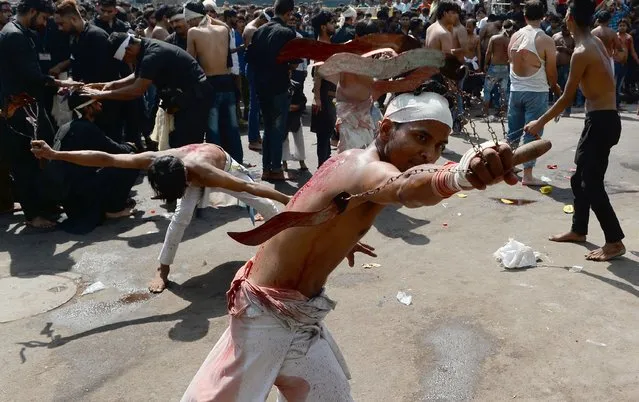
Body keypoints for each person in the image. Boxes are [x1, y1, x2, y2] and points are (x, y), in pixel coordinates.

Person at [179, 80, 523, 401]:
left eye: (439, 147)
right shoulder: (367, 169)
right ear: (386, 129)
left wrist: (339, 236)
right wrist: (458, 176)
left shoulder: (348, 158)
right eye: (420, 138)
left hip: (296, 315)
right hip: (266, 317)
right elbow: (405, 187)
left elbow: (308, 204)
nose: (429, 154)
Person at [31, 139, 291, 292]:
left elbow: (249, 186)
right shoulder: (156, 159)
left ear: (186, 178)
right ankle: (162, 270)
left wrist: (289, 199)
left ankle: (290, 245)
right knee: (179, 219)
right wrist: (55, 154)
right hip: (189, 170)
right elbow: (107, 158)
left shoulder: (204, 171)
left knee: (265, 205)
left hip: (222, 164)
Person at [524, 0, 625, 261]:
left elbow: (567, 98)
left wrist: (539, 122)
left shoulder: (582, 50)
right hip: (602, 119)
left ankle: (614, 241)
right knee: (578, 178)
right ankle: (578, 229)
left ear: (569, 17)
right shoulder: (595, 42)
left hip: (601, 122)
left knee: (590, 183)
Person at [0, 0, 79, 229]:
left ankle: (46, 205)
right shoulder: (14, 36)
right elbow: (31, 76)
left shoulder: (18, 32)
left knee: (39, 158)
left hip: (26, 107)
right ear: (32, 12)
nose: (45, 23)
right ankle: (34, 215)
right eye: (44, 18)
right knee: (25, 162)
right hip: (19, 111)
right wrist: (61, 84)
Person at [79, 32, 213, 148]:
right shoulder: (145, 47)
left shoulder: (152, 54)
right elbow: (139, 75)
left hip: (195, 99)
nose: (127, 62)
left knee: (187, 143)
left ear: (128, 50)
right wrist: (110, 85)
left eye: (126, 59)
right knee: (177, 140)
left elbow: (137, 90)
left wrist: (103, 94)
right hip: (183, 98)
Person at [42, 92, 138, 233]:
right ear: (88, 109)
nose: (100, 105)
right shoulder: (86, 129)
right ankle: (114, 209)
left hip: (69, 197)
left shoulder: (66, 127)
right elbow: (117, 151)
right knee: (130, 161)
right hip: (80, 195)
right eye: (96, 103)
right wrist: (131, 146)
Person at [507, 0, 560, 186]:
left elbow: (510, 62)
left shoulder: (514, 37)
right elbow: (552, 72)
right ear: (543, 16)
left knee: (512, 131)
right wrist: (556, 88)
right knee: (533, 132)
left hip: (515, 90)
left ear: (524, 15)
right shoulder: (545, 39)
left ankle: (509, 167)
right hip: (536, 91)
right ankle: (527, 175)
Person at [185, 1, 243, 165]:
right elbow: (223, 23)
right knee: (232, 127)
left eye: (188, 20)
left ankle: (217, 163)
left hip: (210, 82)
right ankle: (237, 161)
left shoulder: (194, 32)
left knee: (213, 129)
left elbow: (190, 61)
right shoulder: (223, 29)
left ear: (192, 18)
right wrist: (207, 16)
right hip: (227, 81)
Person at [247, 0, 299, 181]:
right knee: (277, 129)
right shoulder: (287, 33)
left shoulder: (259, 31)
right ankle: (275, 168)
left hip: (261, 86)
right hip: (278, 86)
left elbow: (250, 58)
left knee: (268, 128)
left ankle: (266, 168)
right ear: (289, 12)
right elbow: (294, 61)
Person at [243, 8, 273, 151]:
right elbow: (254, 54)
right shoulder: (252, 30)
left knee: (256, 104)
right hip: (255, 69)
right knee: (254, 105)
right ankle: (253, 138)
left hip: (255, 68)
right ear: (263, 20)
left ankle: (255, 136)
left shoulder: (253, 28)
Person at [310, 11, 337, 167]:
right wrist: (318, 97)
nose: (333, 25)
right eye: (331, 23)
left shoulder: (327, 43)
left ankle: (325, 167)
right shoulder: (321, 45)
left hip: (329, 93)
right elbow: (318, 73)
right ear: (323, 26)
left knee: (326, 136)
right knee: (324, 136)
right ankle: (322, 169)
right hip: (325, 93)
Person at [483, 19, 514, 117]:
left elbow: (488, 53)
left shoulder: (494, 38)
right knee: (503, 91)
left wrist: (485, 64)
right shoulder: (509, 40)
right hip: (504, 68)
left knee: (487, 90)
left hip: (494, 67)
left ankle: (486, 112)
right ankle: (502, 111)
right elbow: (511, 56)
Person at [613, 18, 639, 109]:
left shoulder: (629, 38)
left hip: (624, 64)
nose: (622, 27)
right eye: (620, 25)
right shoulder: (615, 36)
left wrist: (637, 60)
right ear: (617, 27)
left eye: (624, 25)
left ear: (627, 27)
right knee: (614, 85)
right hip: (615, 62)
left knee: (619, 85)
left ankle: (617, 104)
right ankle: (614, 105)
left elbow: (632, 51)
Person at [553, 22, 575, 116]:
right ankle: (556, 110)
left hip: (567, 66)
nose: (566, 31)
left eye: (567, 29)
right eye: (564, 29)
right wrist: (556, 48)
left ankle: (567, 110)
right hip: (556, 66)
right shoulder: (555, 36)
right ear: (561, 28)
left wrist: (566, 49)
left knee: (567, 89)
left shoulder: (573, 38)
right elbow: (549, 48)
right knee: (555, 88)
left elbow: (577, 51)